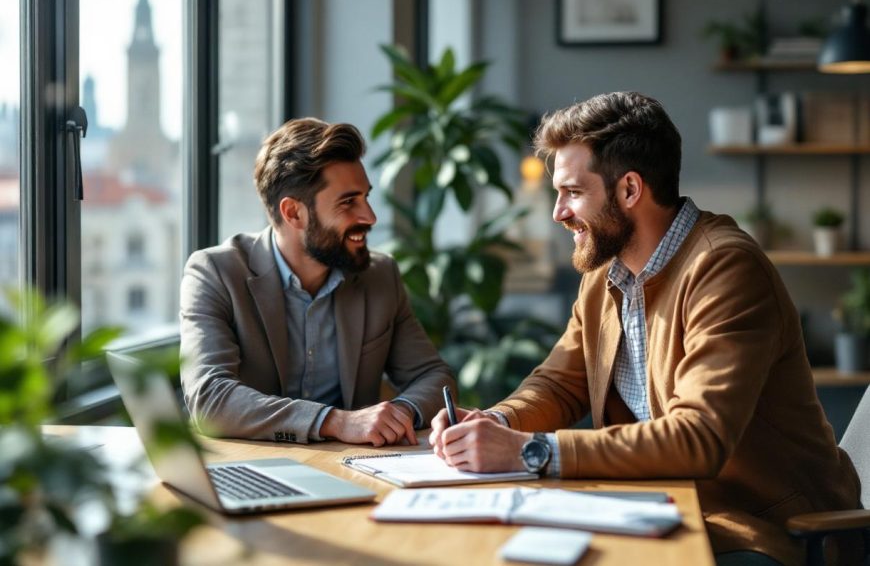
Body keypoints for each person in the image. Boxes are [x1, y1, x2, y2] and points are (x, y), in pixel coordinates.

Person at [429, 92, 862, 565]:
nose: (558, 212)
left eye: (572, 192)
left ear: (630, 190)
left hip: (768, 532)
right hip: (667, 511)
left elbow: (697, 437)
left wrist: (529, 451)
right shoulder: (604, 274)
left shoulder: (725, 269)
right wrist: (496, 422)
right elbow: (559, 384)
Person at [180, 117, 455, 447]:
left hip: (352, 469)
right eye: (348, 202)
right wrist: (335, 422)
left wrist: (397, 415)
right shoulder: (215, 273)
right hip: (253, 469)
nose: (369, 216)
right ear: (294, 213)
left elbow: (435, 378)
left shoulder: (379, 276)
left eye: (366, 197)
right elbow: (209, 400)